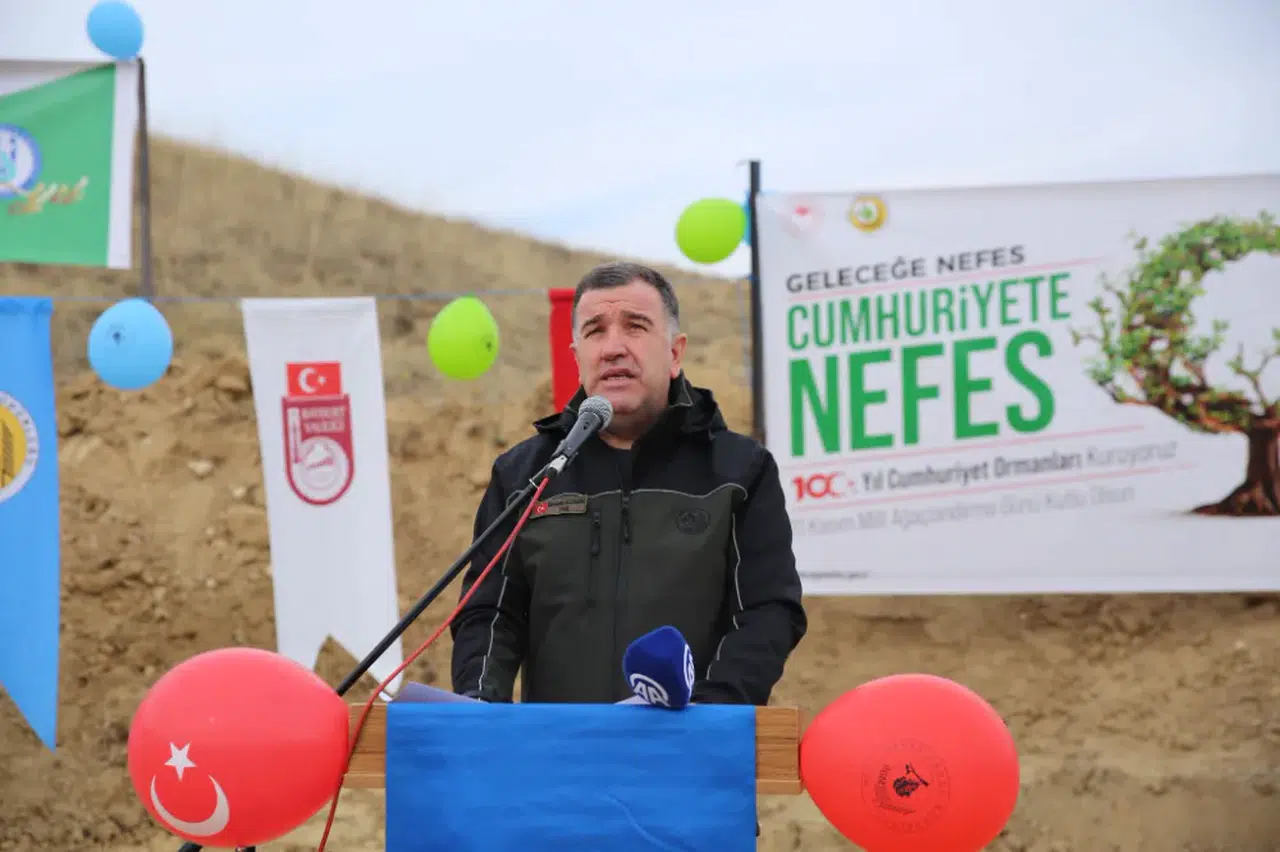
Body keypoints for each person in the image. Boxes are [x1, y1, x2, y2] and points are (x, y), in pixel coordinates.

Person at [450, 260, 807, 708]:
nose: (613, 348)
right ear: (577, 357)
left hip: (691, 742)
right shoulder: (525, 474)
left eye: (635, 327)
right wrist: (481, 709)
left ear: (675, 353)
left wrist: (708, 715)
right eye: (595, 331)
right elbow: (489, 613)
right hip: (558, 746)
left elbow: (767, 611)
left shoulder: (740, 472)